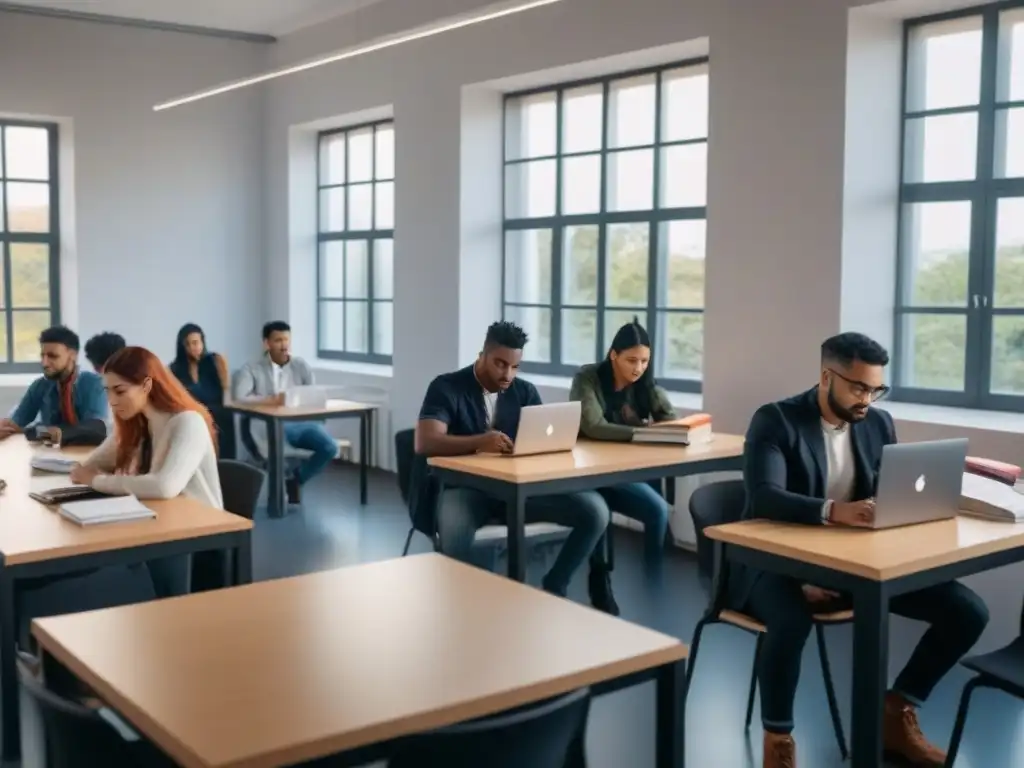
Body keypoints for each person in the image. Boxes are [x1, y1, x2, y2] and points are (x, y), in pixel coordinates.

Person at [734, 332, 989, 768]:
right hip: (772, 564)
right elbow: (765, 498)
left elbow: (891, 488)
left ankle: (895, 713)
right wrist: (835, 511)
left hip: (853, 565)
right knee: (792, 621)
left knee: (967, 611)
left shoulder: (878, 422)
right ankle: (778, 741)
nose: (866, 399)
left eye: (875, 388)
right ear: (825, 376)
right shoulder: (775, 420)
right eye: (857, 387)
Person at [415, 320, 616, 613]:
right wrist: (480, 441)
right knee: (455, 536)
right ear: (481, 355)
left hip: (518, 490)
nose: (507, 374)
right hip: (465, 489)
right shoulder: (446, 387)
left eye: (514, 366)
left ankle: (554, 587)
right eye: (499, 364)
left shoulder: (524, 392)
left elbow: (542, 439)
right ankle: (462, 608)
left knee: (596, 512)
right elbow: (426, 442)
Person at [69, 346, 222, 599]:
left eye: (120, 391)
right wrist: (92, 472)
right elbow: (91, 464)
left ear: (147, 386)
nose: (112, 401)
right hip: (155, 523)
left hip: (195, 535)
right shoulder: (136, 422)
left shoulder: (187, 422)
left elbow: (164, 487)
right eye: (108, 392)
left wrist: (97, 480)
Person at [569, 318, 675, 583]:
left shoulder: (645, 384)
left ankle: (654, 582)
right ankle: (600, 577)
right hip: (590, 471)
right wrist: (642, 432)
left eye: (644, 361)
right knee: (658, 510)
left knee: (657, 511)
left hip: (628, 470)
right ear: (613, 355)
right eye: (631, 360)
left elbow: (670, 421)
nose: (638, 368)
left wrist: (664, 422)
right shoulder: (587, 378)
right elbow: (593, 426)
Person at [232, 321, 336, 503]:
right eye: (278, 340)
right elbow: (240, 397)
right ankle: (279, 498)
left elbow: (312, 393)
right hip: (270, 424)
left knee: (330, 447)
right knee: (278, 451)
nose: (284, 345)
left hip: (302, 423)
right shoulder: (251, 368)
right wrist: (271, 400)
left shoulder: (300, 365)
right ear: (267, 343)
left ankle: (297, 480)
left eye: (286, 339)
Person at [0, 325, 108, 446]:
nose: (44, 363)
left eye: (52, 356)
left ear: (72, 355)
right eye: (42, 356)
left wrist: (56, 432)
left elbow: (97, 428)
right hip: (50, 455)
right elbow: (16, 424)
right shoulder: (40, 385)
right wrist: (6, 426)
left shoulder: (93, 383)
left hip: (87, 453)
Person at [169, 323, 236, 459]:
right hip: (193, 417)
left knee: (225, 415)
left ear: (202, 342)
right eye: (187, 344)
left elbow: (226, 393)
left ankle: (226, 467)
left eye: (195, 342)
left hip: (217, 415)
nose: (193, 348)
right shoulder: (175, 369)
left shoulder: (215, 361)